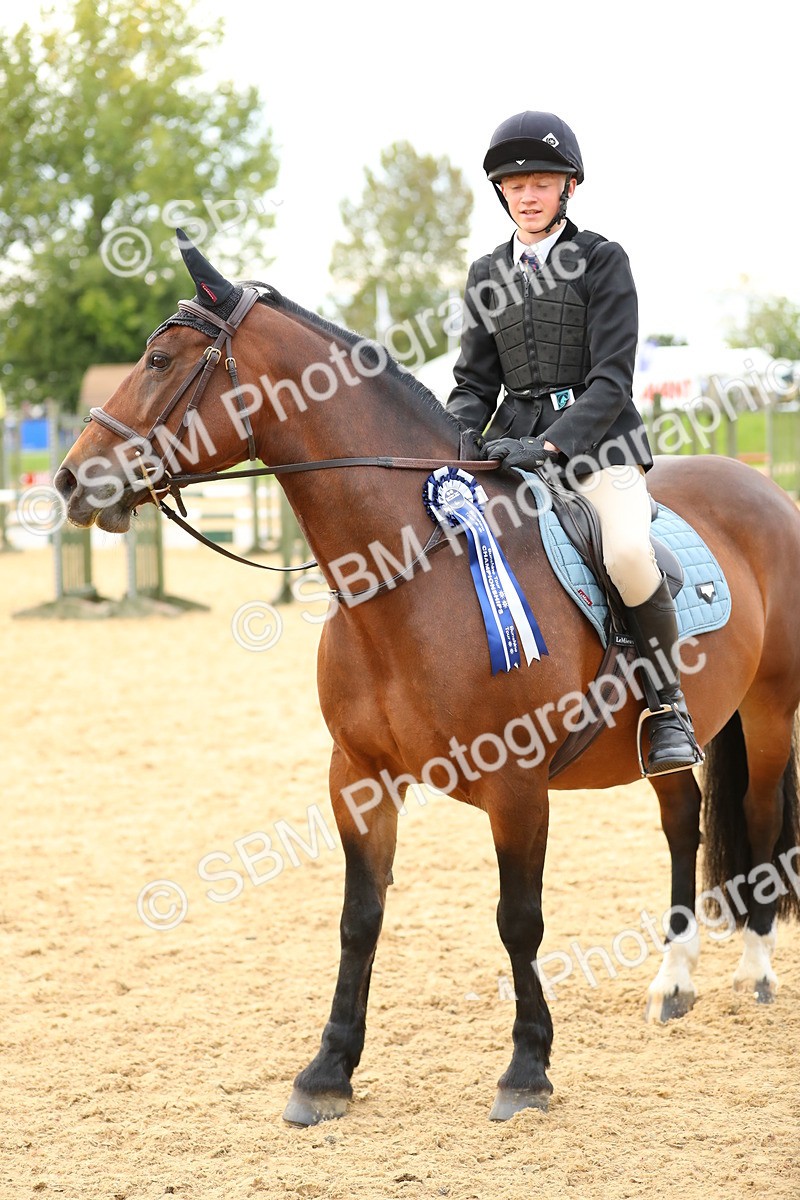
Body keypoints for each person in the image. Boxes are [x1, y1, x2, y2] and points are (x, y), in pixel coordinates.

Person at [446, 109, 702, 776]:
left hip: (597, 448)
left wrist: (553, 447)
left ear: (569, 187)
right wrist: (460, 436)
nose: (527, 196)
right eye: (515, 184)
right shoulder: (485, 274)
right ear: (501, 192)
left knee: (625, 551)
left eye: (541, 183)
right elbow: (474, 379)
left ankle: (668, 707)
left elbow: (612, 380)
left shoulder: (603, 261)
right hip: (510, 446)